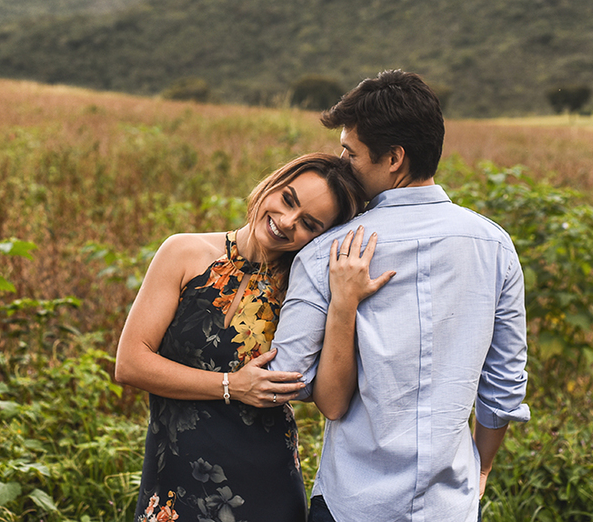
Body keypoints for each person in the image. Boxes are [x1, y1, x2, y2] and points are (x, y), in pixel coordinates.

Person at [272, 70, 531, 522]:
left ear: (394, 158)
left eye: (351, 152)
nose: (343, 163)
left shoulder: (323, 253)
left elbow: (287, 374)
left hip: (351, 503)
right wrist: (482, 465)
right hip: (449, 506)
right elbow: (504, 388)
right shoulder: (494, 246)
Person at [115, 153, 391, 522]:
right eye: (288, 199)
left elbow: (334, 404)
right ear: (272, 184)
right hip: (174, 482)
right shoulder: (184, 253)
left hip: (266, 487)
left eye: (309, 223)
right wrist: (232, 385)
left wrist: (343, 304)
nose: (287, 222)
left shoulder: (305, 290)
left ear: (322, 237)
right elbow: (131, 362)